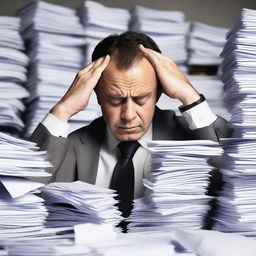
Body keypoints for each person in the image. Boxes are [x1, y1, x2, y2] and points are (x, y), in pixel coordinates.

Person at [30, 31, 231, 219]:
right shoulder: (67, 147)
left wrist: (189, 96)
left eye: (141, 99)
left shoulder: (193, 137)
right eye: (115, 100)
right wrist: (63, 109)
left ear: (159, 93)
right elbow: (17, 196)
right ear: (97, 95)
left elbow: (236, 180)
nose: (128, 115)